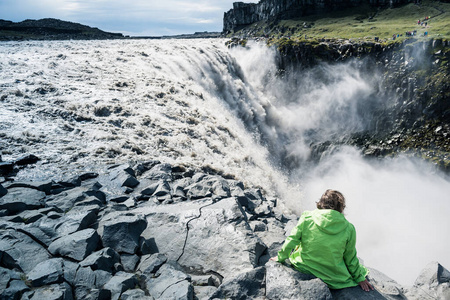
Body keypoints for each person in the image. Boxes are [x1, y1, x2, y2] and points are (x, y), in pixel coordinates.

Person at [271, 189, 374, 292]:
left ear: (321, 203)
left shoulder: (307, 216)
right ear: (341, 207)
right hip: (332, 277)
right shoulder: (349, 228)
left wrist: (281, 257)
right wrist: (360, 278)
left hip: (305, 267)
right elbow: (350, 257)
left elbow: (292, 239)